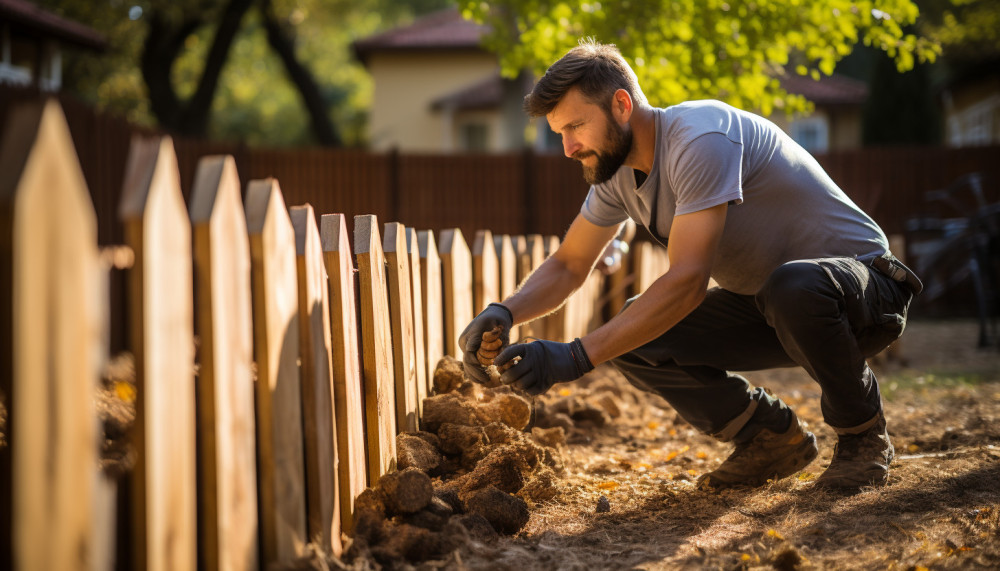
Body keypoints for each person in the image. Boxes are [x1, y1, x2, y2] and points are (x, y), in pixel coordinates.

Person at [458, 40, 922, 490]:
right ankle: (767, 436)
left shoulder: (699, 137)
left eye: (575, 126)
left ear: (621, 105)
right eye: (560, 132)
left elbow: (687, 281)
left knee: (792, 285)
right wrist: (506, 311)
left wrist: (575, 356)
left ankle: (863, 436)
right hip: (772, 306)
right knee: (635, 335)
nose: (567, 147)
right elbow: (570, 263)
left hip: (866, 289)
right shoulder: (616, 173)